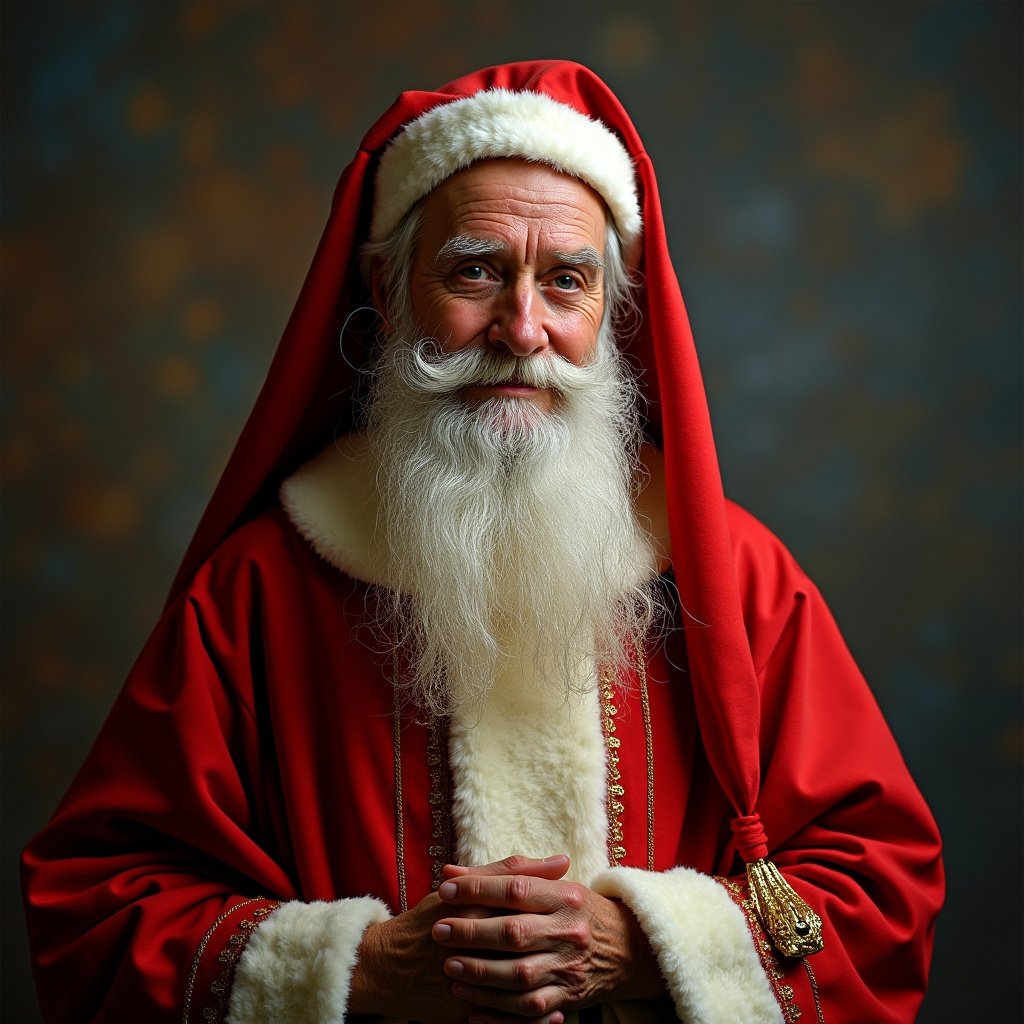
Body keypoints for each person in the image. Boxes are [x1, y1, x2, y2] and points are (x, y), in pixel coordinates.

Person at [22, 61, 943, 1024]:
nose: (522, 328)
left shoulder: (735, 578)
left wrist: (647, 945)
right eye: (475, 270)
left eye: (567, 282)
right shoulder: (259, 588)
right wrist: (364, 968)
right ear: (388, 285)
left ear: (610, 312)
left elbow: (882, 882)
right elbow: (97, 907)